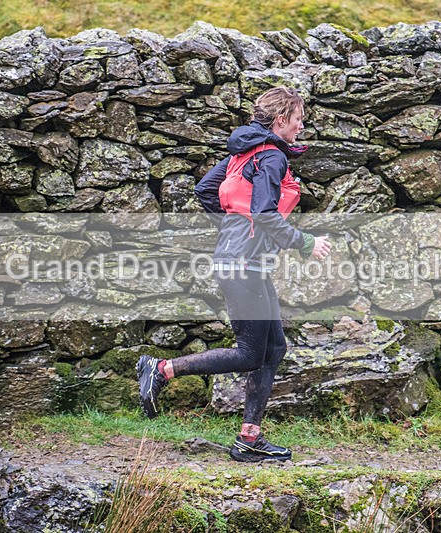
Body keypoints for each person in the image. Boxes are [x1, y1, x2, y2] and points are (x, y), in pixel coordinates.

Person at [136, 87, 331, 462]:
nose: (301, 126)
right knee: (249, 353)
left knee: (274, 348)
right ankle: (162, 369)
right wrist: (305, 243)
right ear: (279, 121)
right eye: (298, 119)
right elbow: (264, 214)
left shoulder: (244, 152)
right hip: (242, 264)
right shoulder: (271, 156)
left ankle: (249, 439)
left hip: (245, 262)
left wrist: (233, 230)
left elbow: (206, 189)